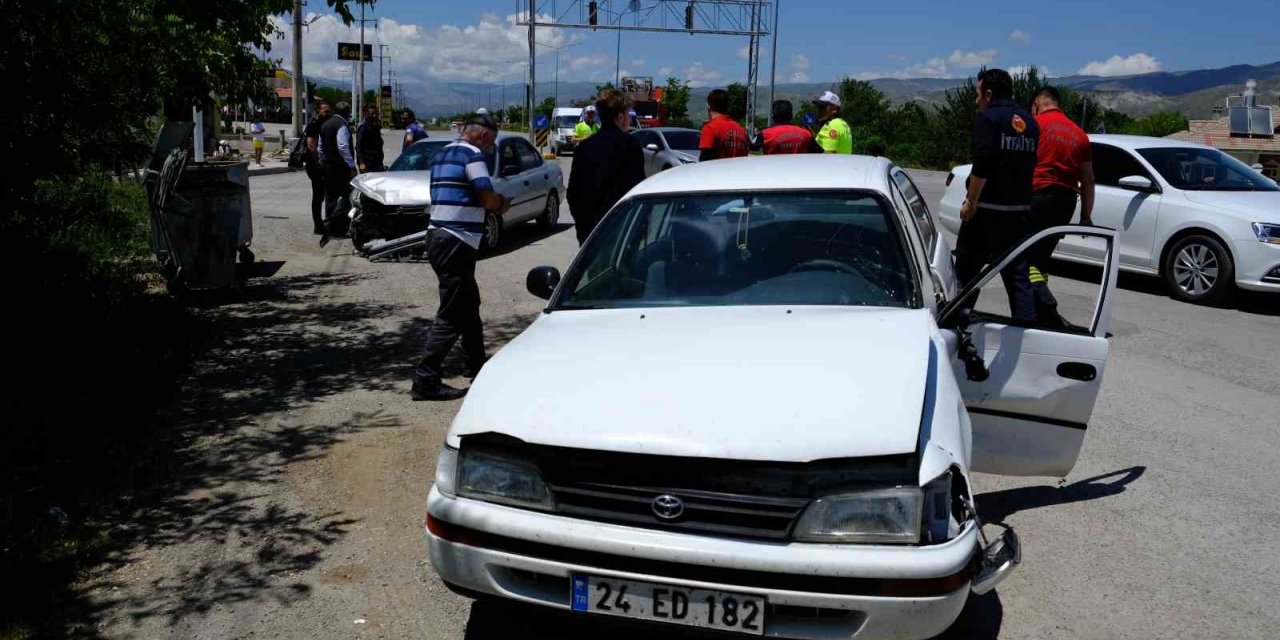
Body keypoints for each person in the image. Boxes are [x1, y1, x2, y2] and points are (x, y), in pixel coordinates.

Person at [410, 114, 511, 401]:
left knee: (469, 303)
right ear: (483, 135)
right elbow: (487, 199)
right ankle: (425, 379)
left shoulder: (442, 154)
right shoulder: (473, 156)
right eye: (491, 141)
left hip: (438, 236)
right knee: (453, 312)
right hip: (457, 241)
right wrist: (502, 204)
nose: (491, 148)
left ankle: (477, 365)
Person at [955, 68, 1041, 322]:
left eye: (978, 94)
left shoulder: (988, 119)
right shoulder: (1030, 123)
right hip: (1018, 212)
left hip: (987, 211)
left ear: (989, 94)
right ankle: (1026, 328)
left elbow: (982, 164)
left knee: (967, 273)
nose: (976, 100)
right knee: (1017, 274)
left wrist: (971, 202)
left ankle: (957, 323)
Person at [1029, 86, 1095, 327]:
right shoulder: (1079, 134)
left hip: (1038, 195)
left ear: (1037, 104)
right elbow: (1088, 179)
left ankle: (1046, 308)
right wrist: (1086, 216)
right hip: (1066, 202)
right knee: (1042, 257)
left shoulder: (1034, 125)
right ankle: (1039, 314)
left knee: (1024, 258)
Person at [567, 89, 647, 245]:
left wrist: (582, 227)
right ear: (620, 117)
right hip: (621, 233)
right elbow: (637, 190)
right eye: (628, 115)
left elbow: (573, 194)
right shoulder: (630, 145)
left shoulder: (584, 147)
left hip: (590, 234)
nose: (629, 120)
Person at [317, 101, 357, 237]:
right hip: (340, 167)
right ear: (346, 113)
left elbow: (320, 147)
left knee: (330, 198)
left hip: (328, 166)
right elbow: (343, 147)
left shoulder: (325, 124)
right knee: (348, 196)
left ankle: (330, 227)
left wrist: (323, 160)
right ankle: (339, 226)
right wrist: (351, 165)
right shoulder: (341, 125)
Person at [750, 100, 822, 155]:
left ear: (773, 116)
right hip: (800, 169)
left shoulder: (765, 134)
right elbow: (818, 151)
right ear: (791, 115)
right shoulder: (806, 133)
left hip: (773, 169)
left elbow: (752, 147)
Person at [304, 101, 332, 234]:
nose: (328, 114)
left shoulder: (324, 124)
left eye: (329, 112)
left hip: (320, 164)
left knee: (321, 195)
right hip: (315, 165)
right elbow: (311, 145)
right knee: (318, 196)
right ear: (317, 111)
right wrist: (319, 162)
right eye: (325, 111)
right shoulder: (314, 124)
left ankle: (321, 223)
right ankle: (318, 225)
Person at [698, 89, 749, 161]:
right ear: (728, 107)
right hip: (738, 168)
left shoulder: (710, 128)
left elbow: (705, 161)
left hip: (717, 168)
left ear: (708, 106)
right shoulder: (741, 130)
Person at [356, 105, 384, 173]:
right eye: (372, 114)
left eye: (376, 113)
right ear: (367, 114)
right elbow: (359, 147)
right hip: (367, 163)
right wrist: (361, 162)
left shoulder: (377, 127)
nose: (374, 115)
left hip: (377, 162)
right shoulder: (363, 128)